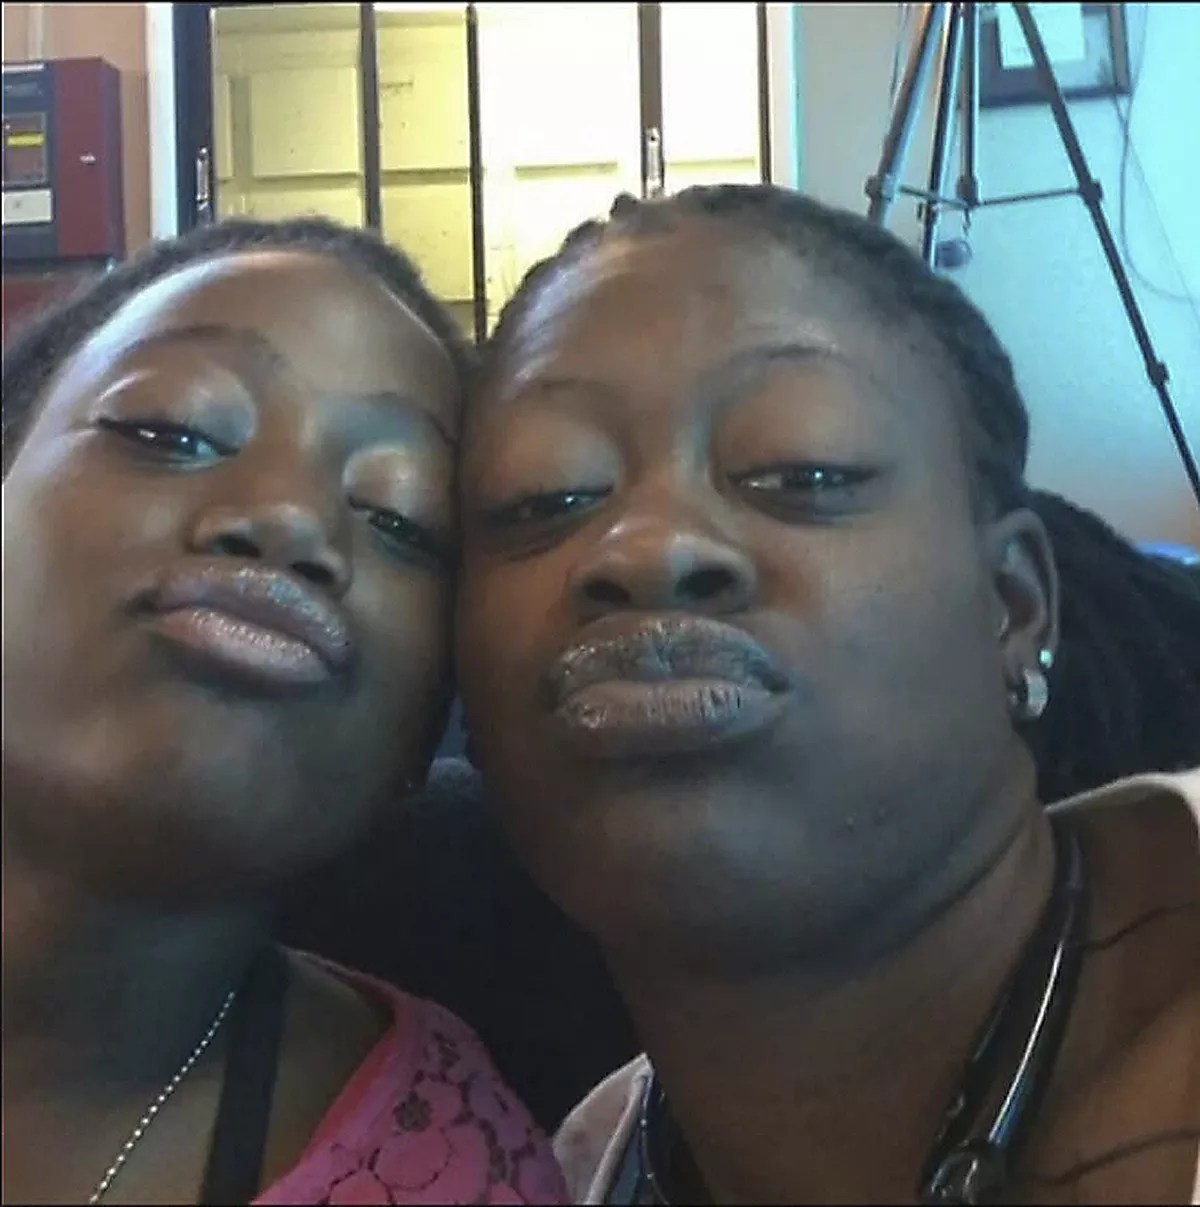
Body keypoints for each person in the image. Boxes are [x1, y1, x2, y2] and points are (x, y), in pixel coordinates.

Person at [453, 185, 1200, 1203]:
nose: (647, 548)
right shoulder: (557, 1166)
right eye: (547, 496)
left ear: (1013, 607)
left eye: (799, 471)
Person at [1, 217, 566, 1205]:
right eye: (171, 430)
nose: (291, 518)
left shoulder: (447, 1167)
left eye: (400, 517)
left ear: (428, 722)